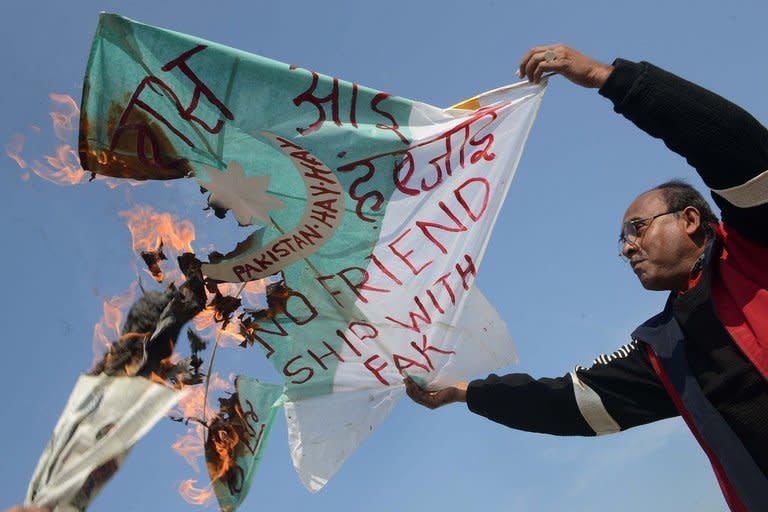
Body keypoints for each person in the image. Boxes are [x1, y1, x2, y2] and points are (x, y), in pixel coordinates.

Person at [404, 44, 768, 511]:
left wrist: (609, 78)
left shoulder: (753, 248)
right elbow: (567, 403)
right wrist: (464, 393)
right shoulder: (664, 350)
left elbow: (732, 145)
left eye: (637, 229)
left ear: (692, 221)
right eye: (622, 240)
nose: (628, 247)